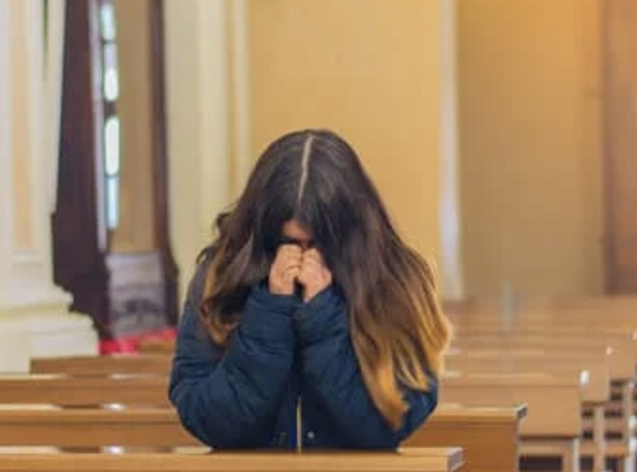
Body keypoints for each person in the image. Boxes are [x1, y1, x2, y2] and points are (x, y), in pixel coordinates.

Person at [168, 129, 451, 450]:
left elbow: (392, 422)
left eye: (318, 244)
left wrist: (322, 316)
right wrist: (270, 310)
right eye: (286, 243)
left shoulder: (395, 277)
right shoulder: (220, 274)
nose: (302, 257)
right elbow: (205, 418)